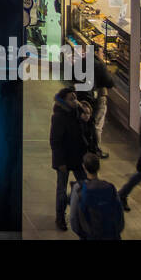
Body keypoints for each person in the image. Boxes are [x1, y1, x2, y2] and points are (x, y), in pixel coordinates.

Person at [50, 87, 91, 231]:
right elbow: (55, 141)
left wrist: (86, 114)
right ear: (63, 101)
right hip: (65, 160)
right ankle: (60, 217)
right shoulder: (59, 117)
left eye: (75, 97)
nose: (75, 100)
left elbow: (85, 132)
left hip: (78, 157)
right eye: (71, 98)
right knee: (61, 189)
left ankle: (76, 202)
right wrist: (60, 162)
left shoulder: (77, 112)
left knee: (85, 185)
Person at [69, 151, 124, 240]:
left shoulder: (79, 188)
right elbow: (120, 214)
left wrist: (82, 235)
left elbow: (73, 218)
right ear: (98, 167)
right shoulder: (111, 187)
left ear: (84, 167)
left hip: (89, 236)